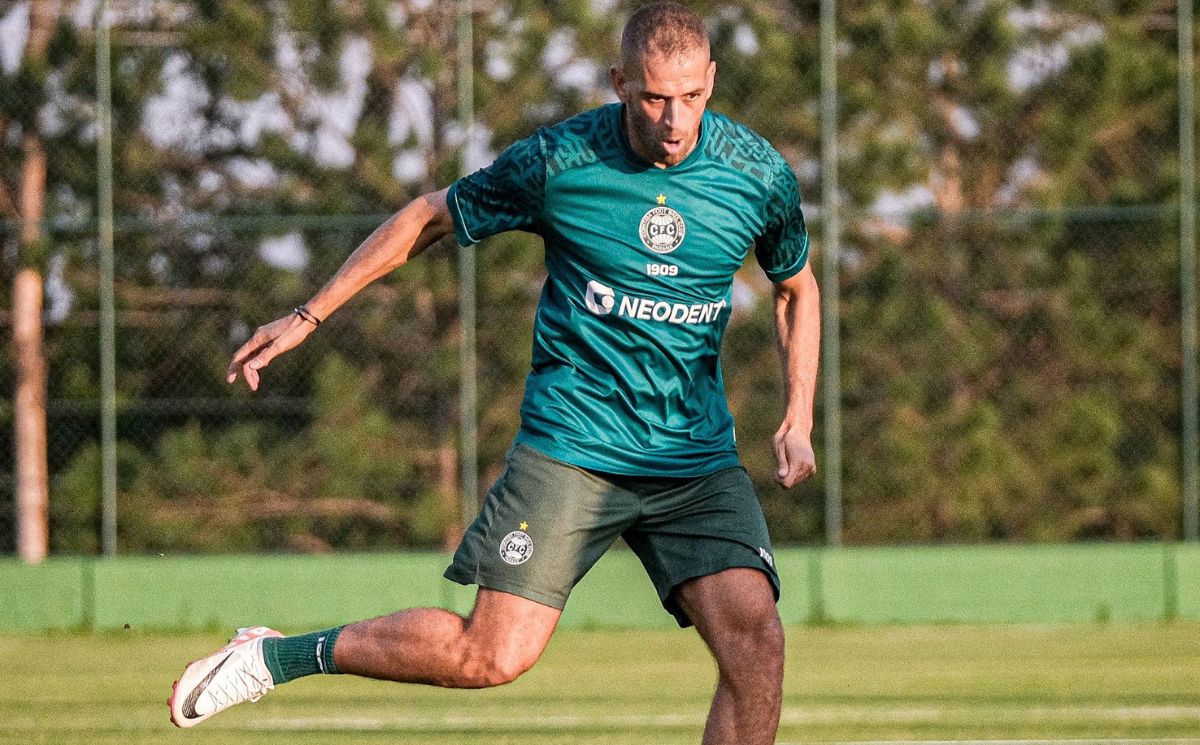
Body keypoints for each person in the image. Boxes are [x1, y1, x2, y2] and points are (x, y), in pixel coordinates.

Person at [168, 3, 819, 743]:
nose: (675, 118)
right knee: (491, 655)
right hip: (578, 445)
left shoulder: (756, 174)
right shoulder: (562, 162)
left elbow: (796, 286)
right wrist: (308, 315)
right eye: (654, 97)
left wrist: (797, 416)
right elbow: (427, 215)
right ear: (619, 84)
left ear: (712, 80)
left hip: (691, 457)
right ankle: (277, 655)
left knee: (756, 642)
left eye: (692, 96)